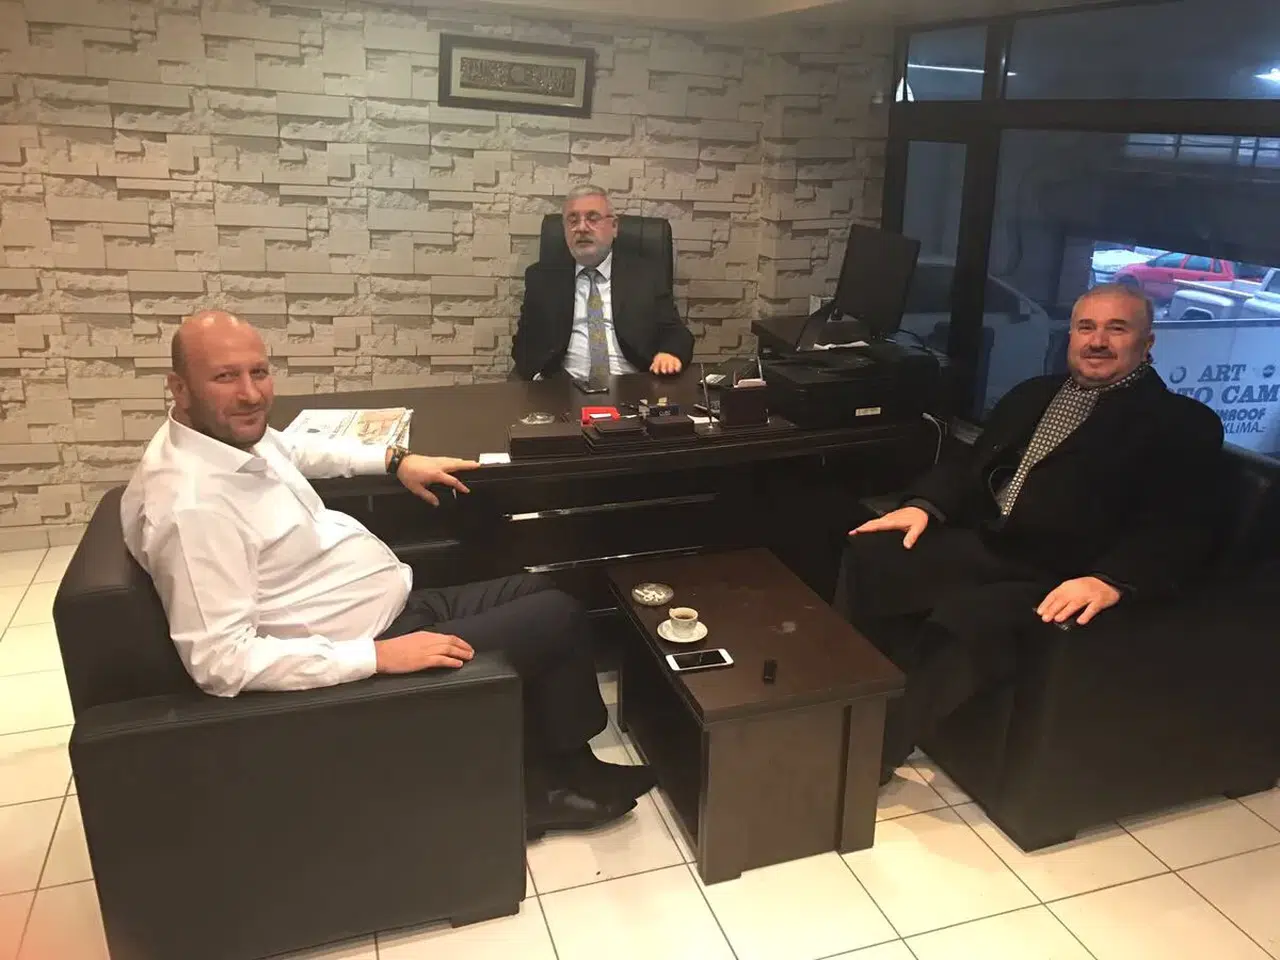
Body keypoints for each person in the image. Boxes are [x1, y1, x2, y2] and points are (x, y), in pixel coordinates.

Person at [121, 310, 654, 837]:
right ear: (179, 388)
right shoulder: (194, 507)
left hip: (392, 605)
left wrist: (396, 459)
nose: (250, 393)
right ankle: (546, 794)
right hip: (369, 644)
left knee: (537, 587)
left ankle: (564, 764)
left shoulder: (226, 440)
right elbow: (220, 663)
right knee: (556, 616)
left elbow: (297, 448)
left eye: (258, 372)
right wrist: (376, 657)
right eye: (225, 376)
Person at [836, 284, 1224, 782]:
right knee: (871, 552)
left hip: (1060, 573)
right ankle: (839, 706)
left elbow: (1180, 525)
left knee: (964, 620)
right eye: (1086, 327)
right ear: (1071, 336)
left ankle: (868, 757)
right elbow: (969, 464)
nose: (1097, 341)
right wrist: (923, 506)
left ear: (1147, 343)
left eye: (1116, 329)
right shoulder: (1034, 394)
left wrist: (1110, 579)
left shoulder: (1182, 424)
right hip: (993, 543)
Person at [512, 184, 694, 381]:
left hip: (633, 385)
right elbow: (524, 344)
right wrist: (541, 379)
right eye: (572, 220)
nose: (581, 228)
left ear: (614, 227)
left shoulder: (646, 275)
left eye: (592, 218)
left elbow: (674, 332)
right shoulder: (541, 278)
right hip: (564, 387)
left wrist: (670, 353)